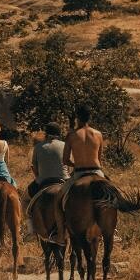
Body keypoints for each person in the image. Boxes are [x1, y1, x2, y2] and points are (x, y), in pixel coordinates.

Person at [53, 105, 105, 245]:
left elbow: (65, 160)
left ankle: (61, 233)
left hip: (80, 172)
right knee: (113, 196)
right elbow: (99, 159)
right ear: (90, 117)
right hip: (97, 171)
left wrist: (76, 164)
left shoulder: (71, 135)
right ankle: (113, 230)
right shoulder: (98, 134)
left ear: (77, 118)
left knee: (58, 199)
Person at [22, 121, 69, 236]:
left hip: (43, 181)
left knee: (25, 200)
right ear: (59, 134)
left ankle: (31, 230)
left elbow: (34, 167)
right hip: (64, 180)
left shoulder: (38, 147)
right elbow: (69, 166)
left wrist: (40, 176)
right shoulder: (65, 145)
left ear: (46, 134)